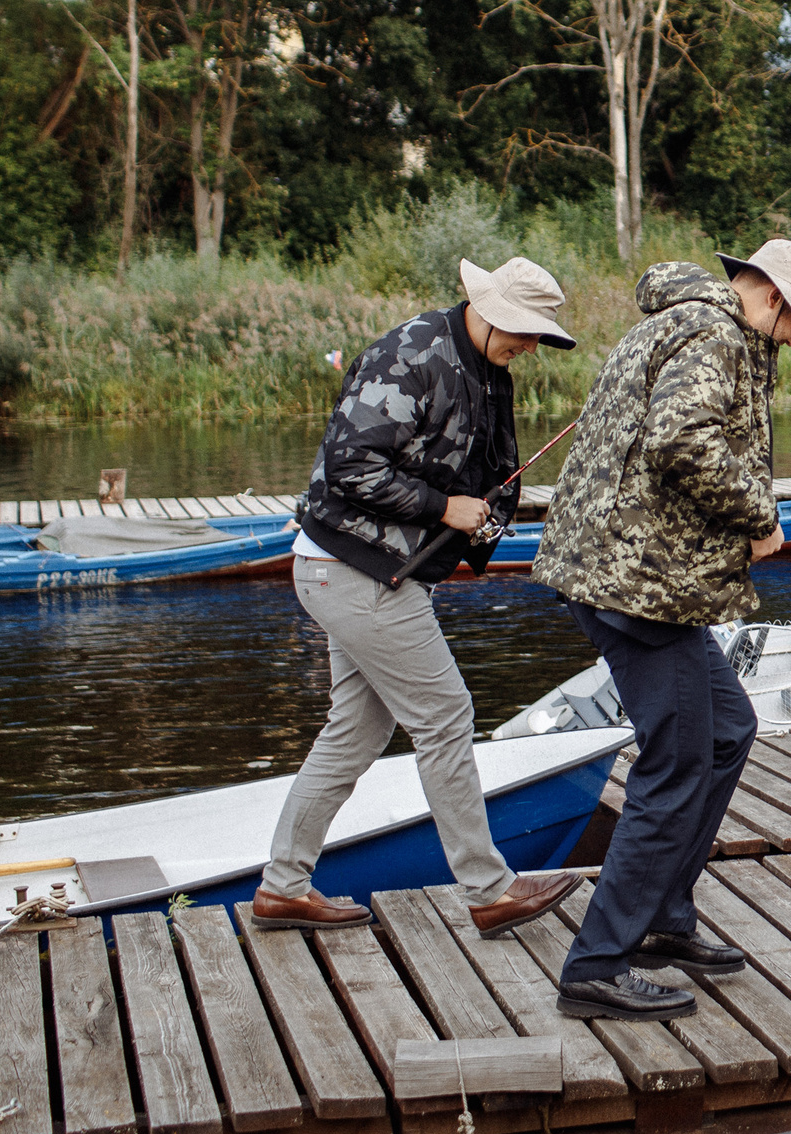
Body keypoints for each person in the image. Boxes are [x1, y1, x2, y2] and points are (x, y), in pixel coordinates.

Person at [533, 238, 791, 1021]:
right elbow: (682, 441)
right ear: (770, 296)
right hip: (639, 583)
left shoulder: (682, 324)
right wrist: (759, 515)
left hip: (629, 572)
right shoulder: (713, 334)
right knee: (675, 765)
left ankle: (661, 917)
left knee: (728, 730)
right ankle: (597, 964)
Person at [251, 256, 585, 938]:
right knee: (445, 715)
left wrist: (480, 524)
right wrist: (444, 508)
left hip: (369, 571)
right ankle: (489, 889)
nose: (530, 346)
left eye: (538, 336)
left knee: (356, 731)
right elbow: (350, 464)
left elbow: (480, 467)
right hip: (353, 569)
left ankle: (282, 887)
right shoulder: (411, 354)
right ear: (488, 312)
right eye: (524, 331)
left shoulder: (486, 369)